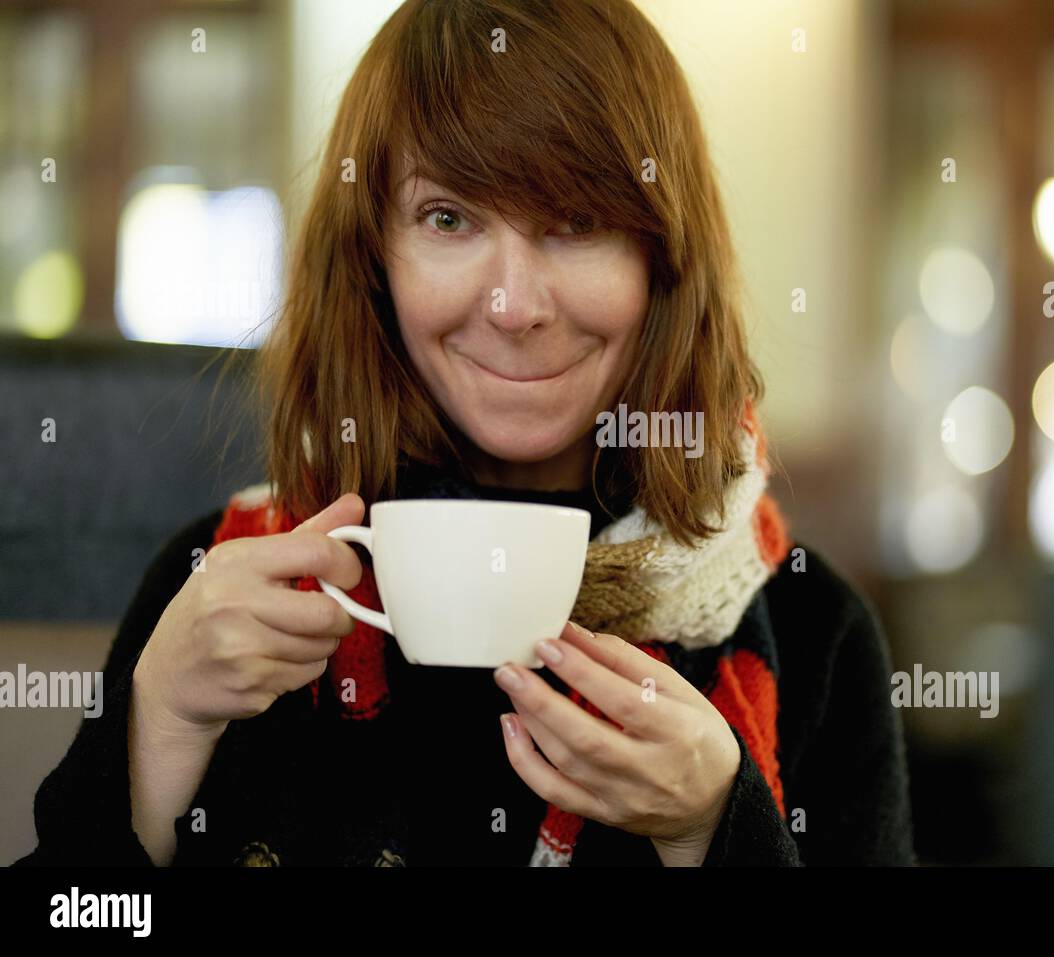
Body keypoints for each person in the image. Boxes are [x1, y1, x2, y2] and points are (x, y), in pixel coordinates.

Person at [16, 0, 915, 867]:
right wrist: (161, 725)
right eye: (449, 219)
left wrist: (714, 827)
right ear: (374, 258)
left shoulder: (810, 632)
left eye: (579, 222)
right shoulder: (228, 586)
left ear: (663, 263)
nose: (515, 305)